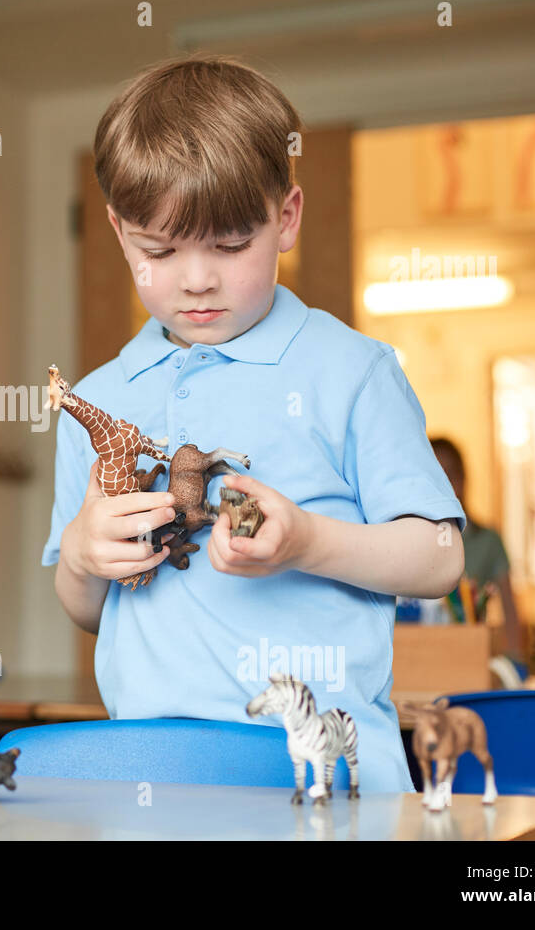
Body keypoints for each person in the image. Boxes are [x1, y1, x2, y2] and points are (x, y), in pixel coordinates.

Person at [41, 54, 464, 793]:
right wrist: (80, 556)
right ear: (118, 231)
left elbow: (438, 559)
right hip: (153, 779)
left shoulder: (352, 371)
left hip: (321, 775)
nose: (196, 278)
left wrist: (308, 541)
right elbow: (86, 612)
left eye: (231, 245)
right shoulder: (99, 399)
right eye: (159, 250)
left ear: (286, 218)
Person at [430, 436, 525, 662]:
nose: (441, 487)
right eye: (433, 478)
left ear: (463, 480)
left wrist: (515, 662)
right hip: (420, 660)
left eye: (449, 477)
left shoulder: (489, 541)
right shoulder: (404, 541)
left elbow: (510, 612)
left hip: (471, 659)